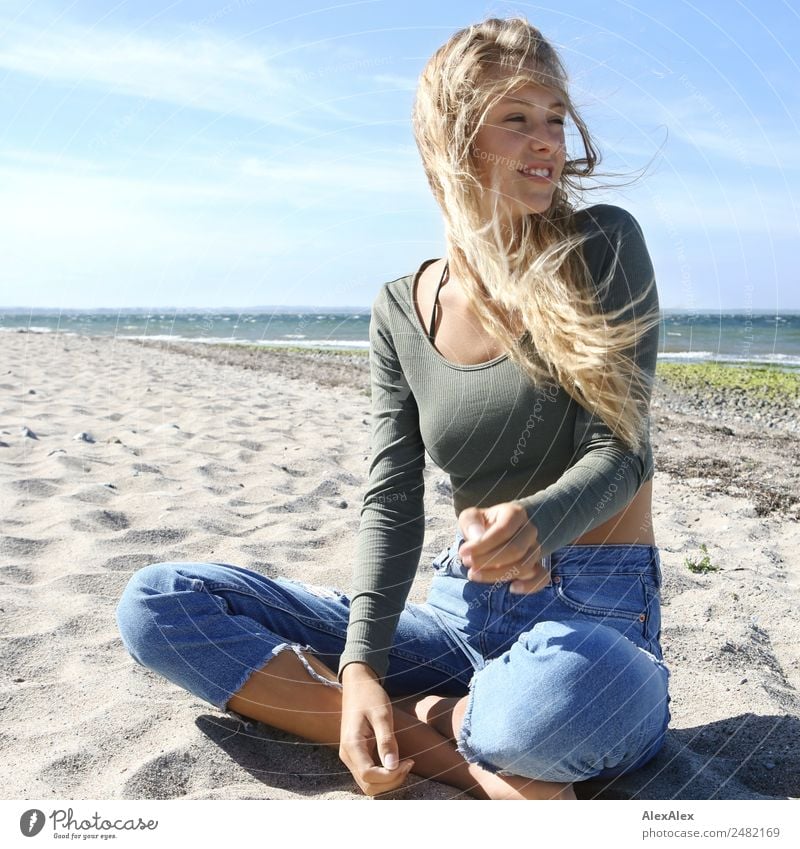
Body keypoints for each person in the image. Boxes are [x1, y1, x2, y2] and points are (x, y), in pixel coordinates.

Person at [115, 16, 670, 801]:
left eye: (555, 118)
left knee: (562, 705)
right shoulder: (400, 308)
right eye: (517, 119)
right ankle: (432, 736)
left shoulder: (603, 245)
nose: (546, 139)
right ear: (454, 140)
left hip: (594, 619)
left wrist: (537, 522)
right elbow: (391, 499)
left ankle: (416, 719)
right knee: (159, 604)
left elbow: (624, 449)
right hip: (456, 618)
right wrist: (364, 665)